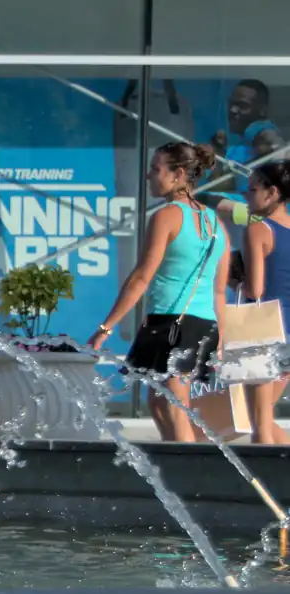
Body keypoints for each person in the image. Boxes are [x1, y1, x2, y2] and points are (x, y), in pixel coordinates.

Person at [90, 141, 231, 443]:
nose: (149, 176)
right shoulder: (216, 223)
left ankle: (192, 478)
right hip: (202, 323)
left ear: (178, 174)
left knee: (174, 406)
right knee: (159, 404)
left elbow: (141, 277)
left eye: (156, 169)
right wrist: (221, 338)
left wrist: (106, 327)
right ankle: (175, 473)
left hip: (172, 323)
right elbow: (219, 292)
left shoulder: (167, 215)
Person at [237, 160, 290, 444]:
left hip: (264, 331)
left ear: (271, 193)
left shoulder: (259, 230)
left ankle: (267, 484)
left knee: (259, 428)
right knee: (265, 419)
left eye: (251, 190)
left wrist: (235, 281)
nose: (246, 196)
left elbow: (255, 290)